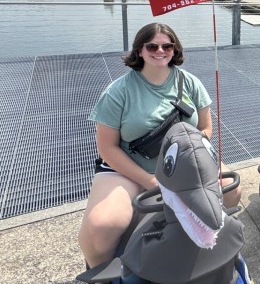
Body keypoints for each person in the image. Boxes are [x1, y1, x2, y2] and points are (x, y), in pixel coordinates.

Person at [78, 23, 241, 268]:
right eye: (152, 45)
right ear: (140, 51)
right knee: (103, 225)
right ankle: (102, 273)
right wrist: (149, 180)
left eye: (167, 45)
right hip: (130, 167)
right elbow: (108, 148)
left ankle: (205, 249)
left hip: (184, 163)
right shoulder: (118, 91)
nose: (160, 50)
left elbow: (205, 129)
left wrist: (190, 161)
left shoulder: (190, 83)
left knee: (230, 188)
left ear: (174, 50)